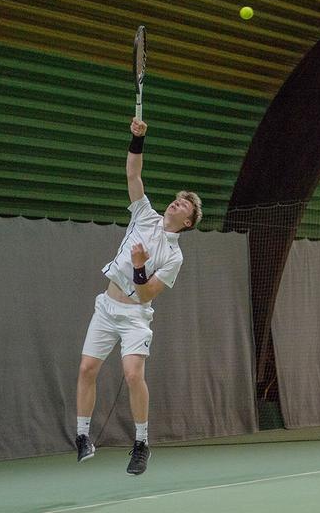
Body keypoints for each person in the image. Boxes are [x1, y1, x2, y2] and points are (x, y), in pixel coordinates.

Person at [74, 117, 202, 475]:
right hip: (106, 305)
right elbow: (133, 174)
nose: (175, 205)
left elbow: (147, 293)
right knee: (86, 368)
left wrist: (141, 266)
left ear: (188, 222)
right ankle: (82, 436)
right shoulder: (144, 213)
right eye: (176, 201)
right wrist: (136, 139)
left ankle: (142, 443)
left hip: (134, 316)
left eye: (182, 206)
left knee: (132, 375)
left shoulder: (175, 256)